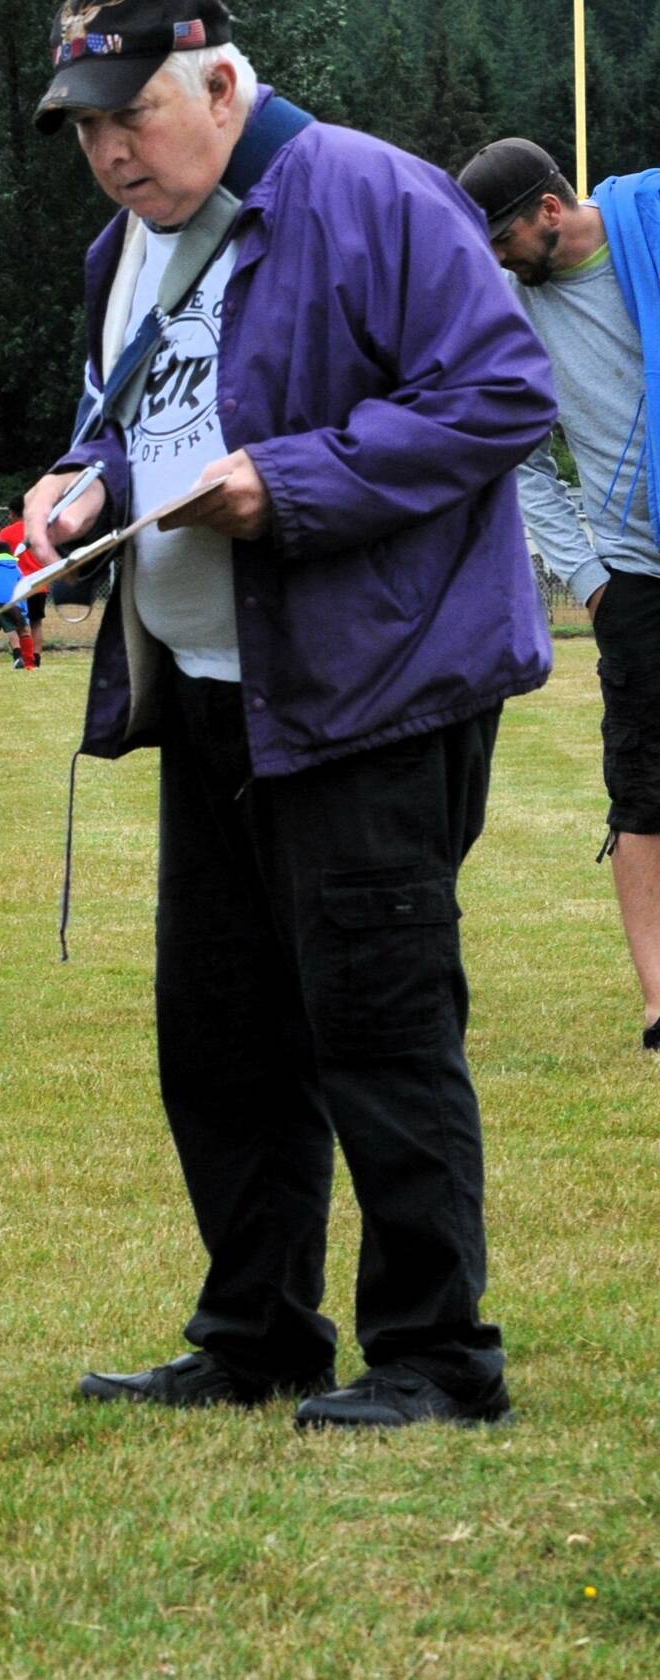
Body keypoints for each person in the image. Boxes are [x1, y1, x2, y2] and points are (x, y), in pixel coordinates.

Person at [20, 0, 555, 1429]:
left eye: (135, 113)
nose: (113, 152)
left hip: (371, 693)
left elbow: (504, 392)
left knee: (377, 1024)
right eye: (87, 126)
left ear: (226, 83)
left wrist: (291, 482)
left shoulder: (377, 194)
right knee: (221, 1032)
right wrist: (81, 488)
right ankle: (257, 1331)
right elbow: (130, 426)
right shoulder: (117, 253)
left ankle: (439, 1357)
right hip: (210, 695)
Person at [456, 139, 660, 1059]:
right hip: (634, 579)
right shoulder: (513, 310)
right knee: (643, 789)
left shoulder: (650, 229)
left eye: (503, 238)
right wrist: (591, 580)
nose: (496, 260)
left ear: (549, 210)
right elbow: (524, 458)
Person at [0, 495, 49, 660]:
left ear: (12, 513)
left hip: (16, 585)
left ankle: (20, 655)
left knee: (16, 622)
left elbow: (0, 559)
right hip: (39, 583)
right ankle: (36, 657)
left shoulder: (6, 533)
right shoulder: (39, 530)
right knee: (36, 622)